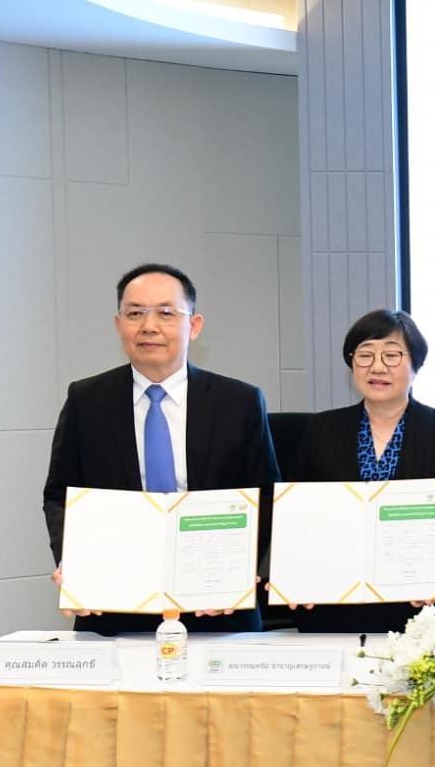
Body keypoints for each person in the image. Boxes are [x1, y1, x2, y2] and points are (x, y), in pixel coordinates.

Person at [42, 263, 279, 634]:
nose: (149, 326)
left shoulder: (240, 402)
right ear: (118, 325)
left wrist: (239, 571)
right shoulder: (86, 400)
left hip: (217, 609)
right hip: (113, 606)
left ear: (194, 326)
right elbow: (60, 495)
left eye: (166, 313)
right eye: (135, 313)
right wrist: (74, 561)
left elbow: (266, 496)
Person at [290, 309, 435, 636]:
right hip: (334, 603)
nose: (377, 367)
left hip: (420, 609)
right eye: (365, 355)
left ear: (416, 364)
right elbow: (297, 517)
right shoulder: (321, 429)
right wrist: (299, 576)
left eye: (392, 355)